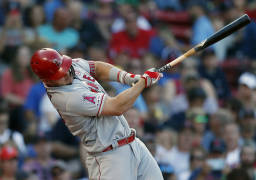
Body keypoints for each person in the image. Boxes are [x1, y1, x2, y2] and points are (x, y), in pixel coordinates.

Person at [30, 48, 163, 179]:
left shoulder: (69, 65)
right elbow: (116, 107)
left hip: (132, 141)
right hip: (109, 157)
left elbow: (96, 68)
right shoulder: (66, 98)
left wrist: (128, 78)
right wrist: (142, 83)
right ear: (47, 80)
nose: (65, 75)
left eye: (64, 70)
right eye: (59, 75)